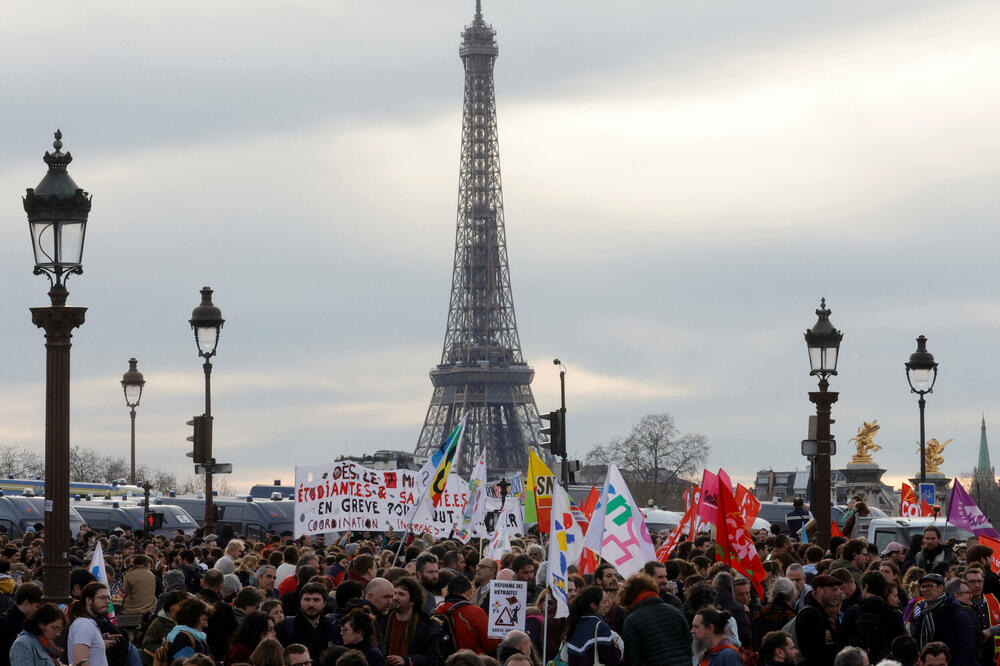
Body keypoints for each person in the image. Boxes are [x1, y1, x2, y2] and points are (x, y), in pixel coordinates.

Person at [619, 572, 690, 666]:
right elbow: (688, 642)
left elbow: (633, 658)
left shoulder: (632, 620)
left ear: (628, 595)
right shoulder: (675, 612)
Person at [907, 573, 975, 664]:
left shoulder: (955, 612)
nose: (925, 590)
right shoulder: (919, 608)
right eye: (923, 587)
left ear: (941, 588)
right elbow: (914, 635)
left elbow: (966, 647)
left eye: (930, 586)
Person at [840, 570, 905, 663]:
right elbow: (900, 644)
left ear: (865, 587)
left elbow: (843, 643)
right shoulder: (893, 614)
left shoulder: (852, 613)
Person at [381, 576, 441, 666]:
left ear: (413, 600)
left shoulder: (427, 625)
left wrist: (407, 660)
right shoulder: (382, 619)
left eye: (401, 594)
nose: (395, 598)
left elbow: (433, 658)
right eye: (394, 593)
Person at [276, 581, 338, 663]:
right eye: (307, 599)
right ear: (300, 601)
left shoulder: (332, 626)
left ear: (324, 603)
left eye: (316, 600)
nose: (311, 604)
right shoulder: (285, 627)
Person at [434, 575, 498, 654]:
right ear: (469, 592)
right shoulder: (476, 612)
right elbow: (491, 644)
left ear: (447, 592)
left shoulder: (437, 611)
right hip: (471, 660)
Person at [563, 585, 621, 666]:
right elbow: (611, 659)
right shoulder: (600, 627)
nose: (607, 605)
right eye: (604, 602)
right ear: (593, 605)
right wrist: (618, 649)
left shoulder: (574, 623)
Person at [793, 573, 843, 666]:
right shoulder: (809, 615)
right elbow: (813, 652)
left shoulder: (819, 613)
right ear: (820, 590)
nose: (838, 593)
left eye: (838, 589)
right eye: (833, 590)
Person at [68, 582, 118, 666]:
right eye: (103, 598)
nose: (107, 601)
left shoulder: (90, 623)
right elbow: (80, 662)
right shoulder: (84, 624)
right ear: (88, 600)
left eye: (108, 598)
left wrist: (98, 641)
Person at [199, 567, 240, 661]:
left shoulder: (191, 603)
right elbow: (234, 634)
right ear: (221, 585)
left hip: (195, 654)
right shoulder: (225, 608)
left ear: (202, 582)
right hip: (218, 655)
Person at [141, 589, 189, 666]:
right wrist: (167, 649)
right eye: (181, 605)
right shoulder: (159, 623)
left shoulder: (186, 621)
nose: (184, 609)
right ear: (171, 606)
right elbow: (147, 645)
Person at [963, 566, 1000, 665]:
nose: (977, 585)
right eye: (972, 582)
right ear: (964, 584)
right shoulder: (959, 604)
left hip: (994, 660)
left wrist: (992, 630)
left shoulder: (994, 599)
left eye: (980, 581)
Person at [0, 580, 42, 664]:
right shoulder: (5, 623)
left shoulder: (27, 623)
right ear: (26, 602)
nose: (39, 611)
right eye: (37, 606)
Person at [751, 577, 796, 651]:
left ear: (773, 593)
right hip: (783, 657)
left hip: (762, 659)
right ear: (793, 594)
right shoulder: (791, 616)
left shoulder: (761, 614)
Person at [166, 596, 213, 662]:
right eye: (204, 620)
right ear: (193, 619)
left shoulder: (196, 637)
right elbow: (183, 664)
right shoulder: (184, 638)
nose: (206, 625)